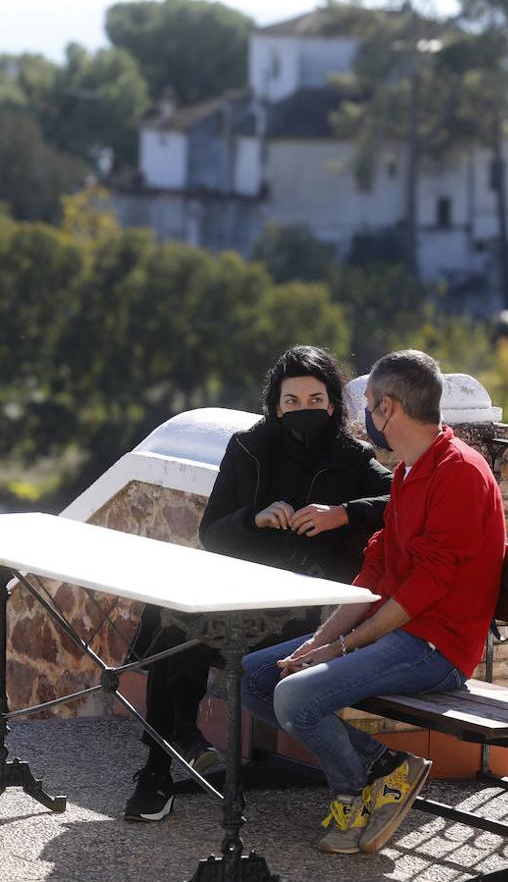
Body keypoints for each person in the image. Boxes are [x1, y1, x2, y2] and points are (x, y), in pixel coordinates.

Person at [240, 349, 506, 855]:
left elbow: (423, 591)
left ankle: (353, 792)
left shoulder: (460, 474)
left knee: (295, 696)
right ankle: (387, 768)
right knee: (257, 676)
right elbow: (377, 573)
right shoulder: (408, 469)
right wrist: (319, 642)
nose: (364, 419)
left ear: (386, 408)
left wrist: (339, 650)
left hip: (437, 648)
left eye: (368, 407)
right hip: (401, 632)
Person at [123, 345, 393, 822]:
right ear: (275, 404)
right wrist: (254, 519)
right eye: (292, 401)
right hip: (241, 588)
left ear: (333, 403)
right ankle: (172, 748)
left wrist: (342, 514)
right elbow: (212, 532)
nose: (304, 410)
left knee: (177, 628)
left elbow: (399, 499)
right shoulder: (247, 447)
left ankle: (160, 764)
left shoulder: (353, 459)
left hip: (309, 604)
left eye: (316, 399)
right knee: (176, 618)